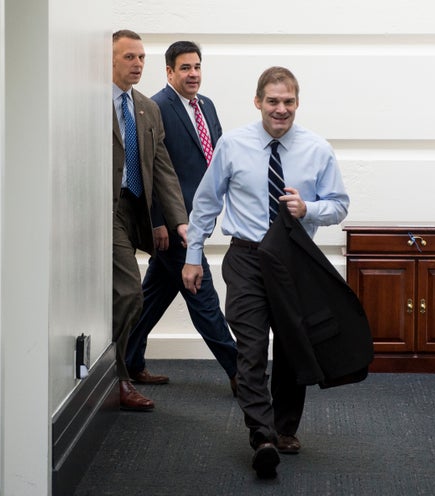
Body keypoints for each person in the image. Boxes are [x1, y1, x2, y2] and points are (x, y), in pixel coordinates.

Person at [182, 67, 350, 478]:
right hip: (247, 257)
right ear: (258, 101)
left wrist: (309, 208)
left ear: (297, 103)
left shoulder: (317, 149)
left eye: (288, 102)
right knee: (252, 345)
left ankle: (285, 428)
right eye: (272, 101)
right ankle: (262, 434)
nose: (281, 109)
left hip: (294, 257)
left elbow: (340, 204)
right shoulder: (233, 144)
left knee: (293, 347)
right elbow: (207, 203)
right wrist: (193, 254)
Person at [125, 41, 238, 396]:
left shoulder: (206, 105)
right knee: (202, 296)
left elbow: (216, 158)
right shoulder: (157, 107)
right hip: (176, 225)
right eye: (185, 68)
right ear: (170, 72)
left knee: (152, 297)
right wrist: (157, 220)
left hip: (198, 218)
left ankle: (129, 363)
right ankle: (242, 373)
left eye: (197, 67)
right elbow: (150, 168)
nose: (193, 74)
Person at [112, 30, 189, 411]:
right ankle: (119, 378)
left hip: (134, 211)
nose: (138, 64)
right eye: (129, 57)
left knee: (132, 297)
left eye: (141, 57)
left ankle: (116, 371)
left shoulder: (145, 107)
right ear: (109, 60)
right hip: (104, 210)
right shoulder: (88, 102)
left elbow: (163, 168)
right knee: (130, 292)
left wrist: (179, 220)